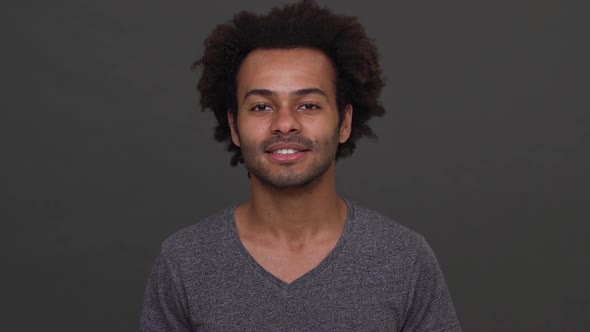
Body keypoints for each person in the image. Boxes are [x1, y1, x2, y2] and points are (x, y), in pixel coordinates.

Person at [140, 1, 461, 330]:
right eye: (262, 106)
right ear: (234, 127)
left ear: (345, 122)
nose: (284, 124)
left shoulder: (404, 259)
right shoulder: (183, 262)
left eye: (308, 105)